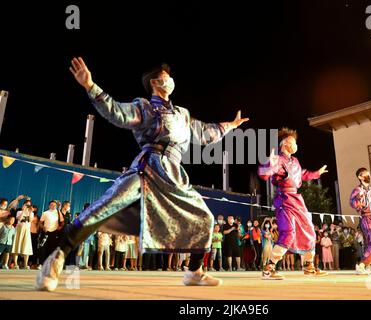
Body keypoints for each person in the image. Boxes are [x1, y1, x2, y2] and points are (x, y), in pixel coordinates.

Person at [35, 58, 248, 291]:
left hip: (175, 174)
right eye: (165, 77)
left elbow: (206, 132)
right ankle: (56, 258)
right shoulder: (145, 107)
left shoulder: (182, 114)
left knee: (204, 217)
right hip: (148, 168)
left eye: (170, 77)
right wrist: (90, 86)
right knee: (103, 207)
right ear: (155, 83)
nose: (170, 80)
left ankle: (194, 271)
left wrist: (231, 125)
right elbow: (116, 112)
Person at [258, 127, 329, 279]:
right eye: (292, 142)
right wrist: (269, 164)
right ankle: (269, 268)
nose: (295, 144)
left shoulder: (294, 160)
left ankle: (309, 266)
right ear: (284, 144)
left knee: (309, 230)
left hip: (297, 199)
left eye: (295, 142)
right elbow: (264, 175)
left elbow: (303, 174)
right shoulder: (279, 159)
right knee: (288, 231)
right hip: (284, 199)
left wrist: (317, 173)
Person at [39, 201, 64, 265]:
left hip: (54, 233)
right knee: (43, 248)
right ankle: (41, 263)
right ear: (49, 206)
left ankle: (50, 264)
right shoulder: (45, 213)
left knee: (52, 248)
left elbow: (62, 221)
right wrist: (43, 227)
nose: (53, 206)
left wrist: (60, 227)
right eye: (51, 205)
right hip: (46, 232)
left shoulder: (58, 213)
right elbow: (40, 223)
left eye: (54, 205)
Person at [11, 203, 34, 269]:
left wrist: (30, 212)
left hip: (26, 231)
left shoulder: (31, 213)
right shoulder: (19, 212)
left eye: (28, 205)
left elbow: (30, 220)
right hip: (19, 230)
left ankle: (25, 264)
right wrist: (23, 211)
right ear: (23, 205)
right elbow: (19, 219)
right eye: (25, 205)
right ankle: (15, 264)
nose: (27, 206)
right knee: (17, 246)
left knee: (26, 246)